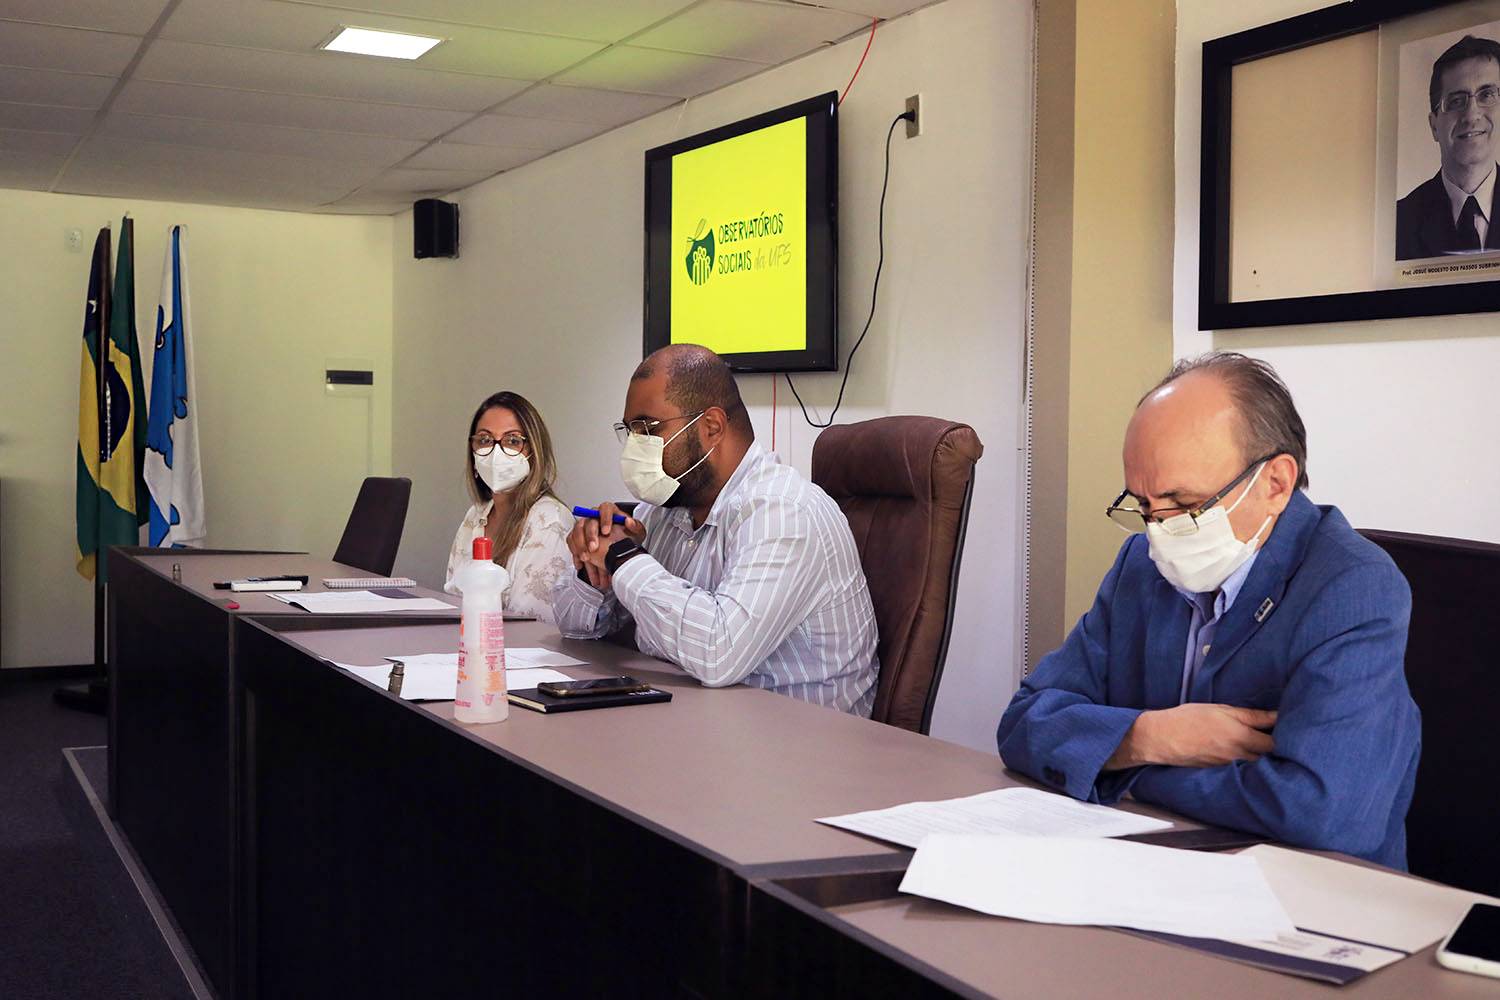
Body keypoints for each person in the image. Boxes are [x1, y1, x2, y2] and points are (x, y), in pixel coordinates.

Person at [996, 353, 1420, 868]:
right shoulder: (1140, 565)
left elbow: (1321, 811)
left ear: (1275, 484)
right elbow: (1024, 723)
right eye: (1144, 505)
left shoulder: (1354, 586)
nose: (1160, 529)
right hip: (1141, 871)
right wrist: (1153, 736)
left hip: (1307, 898)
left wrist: (1122, 770)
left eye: (1185, 503)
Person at [551, 344, 878, 715]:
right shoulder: (665, 510)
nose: (634, 447)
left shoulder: (784, 511)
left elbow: (718, 652)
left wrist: (625, 558)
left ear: (711, 427)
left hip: (802, 748)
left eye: (647, 428)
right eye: (629, 431)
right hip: (699, 725)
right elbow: (576, 629)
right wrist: (595, 568)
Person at [444, 390, 572, 623]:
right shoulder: (476, 515)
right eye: (484, 440)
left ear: (534, 452)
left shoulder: (549, 520)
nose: (496, 452)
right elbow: (453, 600)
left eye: (512, 441)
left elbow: (529, 621)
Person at [1397, 34, 1500, 260]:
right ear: (1434, 126)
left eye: (1487, 95)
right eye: (1455, 101)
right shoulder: (1398, 222)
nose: (1472, 114)